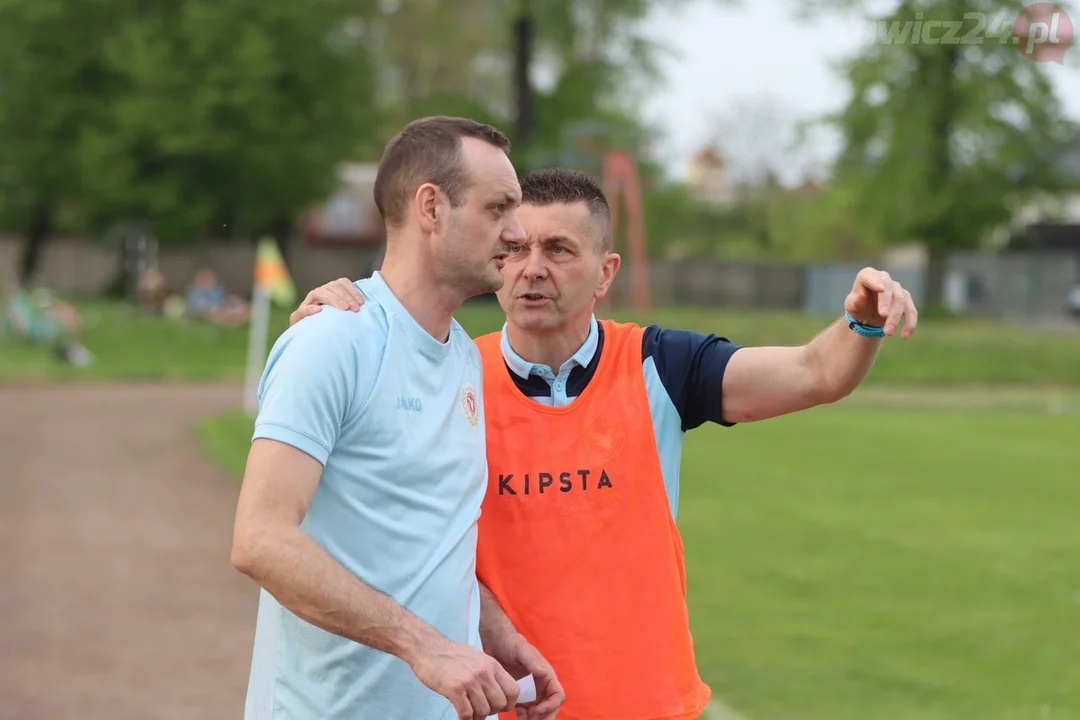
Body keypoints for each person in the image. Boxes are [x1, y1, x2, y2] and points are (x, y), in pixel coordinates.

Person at [291, 168, 919, 720]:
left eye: (559, 249)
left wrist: (861, 318)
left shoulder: (658, 365)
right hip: (499, 704)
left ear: (605, 272)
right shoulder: (446, 372)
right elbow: (349, 413)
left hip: (647, 706)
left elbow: (816, 373)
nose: (533, 267)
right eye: (517, 247)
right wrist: (331, 325)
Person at [230, 116, 565, 720]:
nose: (517, 233)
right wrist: (425, 648)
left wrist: (494, 631)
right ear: (431, 207)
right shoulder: (333, 341)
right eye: (499, 209)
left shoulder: (464, 354)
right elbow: (261, 539)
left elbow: (431, 539)